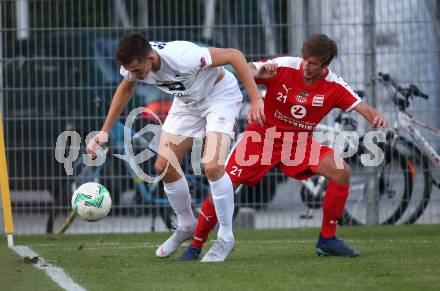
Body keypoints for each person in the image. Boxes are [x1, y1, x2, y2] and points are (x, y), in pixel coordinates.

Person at [178, 33, 388, 261]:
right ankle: (195, 246)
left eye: (313, 63)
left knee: (341, 171)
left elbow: (363, 107)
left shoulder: (334, 85)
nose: (306, 66)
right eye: (305, 59)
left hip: (298, 145)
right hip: (260, 139)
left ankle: (327, 240)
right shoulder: (284, 66)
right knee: (224, 184)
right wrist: (258, 72)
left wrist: (375, 117)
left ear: (325, 65)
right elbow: (246, 69)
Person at [86, 32, 265, 262]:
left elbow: (234, 55)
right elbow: (126, 89)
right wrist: (104, 132)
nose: (135, 75)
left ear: (150, 57)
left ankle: (226, 237)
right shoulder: (133, 67)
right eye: (130, 71)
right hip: (187, 103)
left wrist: (256, 99)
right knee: (163, 164)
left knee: (212, 166)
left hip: (219, 97)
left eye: (138, 70)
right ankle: (186, 225)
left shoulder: (184, 56)